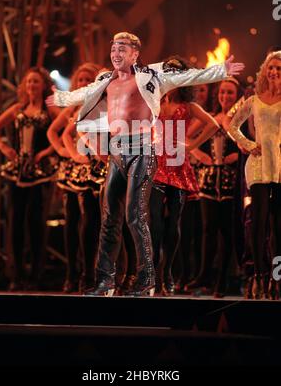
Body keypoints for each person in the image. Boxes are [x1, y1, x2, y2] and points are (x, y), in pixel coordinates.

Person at [46, 31, 244, 297]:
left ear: (135, 54)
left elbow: (187, 76)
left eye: (123, 49)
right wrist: (61, 98)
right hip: (117, 150)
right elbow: (84, 93)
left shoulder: (150, 77)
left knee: (135, 217)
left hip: (142, 150)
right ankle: (105, 282)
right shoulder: (105, 79)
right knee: (109, 220)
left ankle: (147, 280)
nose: (116, 53)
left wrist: (220, 70)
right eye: (114, 48)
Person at [150, 56, 219, 296]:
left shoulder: (188, 106)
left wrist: (191, 146)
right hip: (156, 166)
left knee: (172, 225)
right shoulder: (154, 101)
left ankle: (168, 271)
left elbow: (212, 125)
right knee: (155, 224)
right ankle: (157, 275)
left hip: (178, 167)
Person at [0, 67, 60, 290]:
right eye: (28, 82)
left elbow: (66, 129)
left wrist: (47, 152)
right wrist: (4, 148)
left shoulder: (50, 109)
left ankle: (35, 275)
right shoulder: (18, 108)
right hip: (17, 170)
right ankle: (16, 274)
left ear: (43, 85)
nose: (31, 86)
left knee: (36, 222)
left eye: (35, 82)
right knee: (15, 222)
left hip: (39, 173)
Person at [228, 51, 281, 300]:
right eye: (272, 67)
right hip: (259, 164)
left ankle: (275, 279)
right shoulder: (254, 99)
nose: (275, 72)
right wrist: (248, 145)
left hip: (280, 165)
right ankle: (258, 277)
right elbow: (232, 124)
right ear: (265, 70)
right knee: (258, 224)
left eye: (279, 69)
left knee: (277, 227)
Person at [47, 63, 102, 293]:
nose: (83, 83)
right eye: (80, 80)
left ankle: (90, 272)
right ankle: (73, 273)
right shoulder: (72, 106)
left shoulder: (99, 104)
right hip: (74, 168)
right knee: (71, 220)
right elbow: (54, 132)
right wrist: (66, 152)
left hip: (94, 166)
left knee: (93, 219)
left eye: (87, 80)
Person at [185, 78, 242, 297]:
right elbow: (186, 137)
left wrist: (237, 155)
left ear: (236, 95)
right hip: (208, 180)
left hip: (231, 180)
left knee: (226, 231)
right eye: (222, 93)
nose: (225, 97)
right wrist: (199, 154)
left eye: (230, 93)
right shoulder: (211, 117)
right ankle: (204, 275)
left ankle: (222, 279)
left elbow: (250, 142)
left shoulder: (241, 117)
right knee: (208, 229)